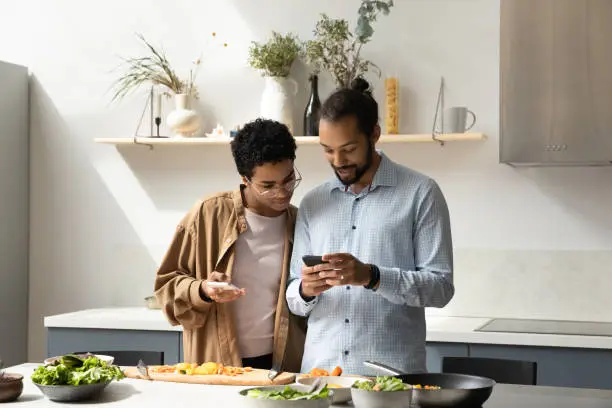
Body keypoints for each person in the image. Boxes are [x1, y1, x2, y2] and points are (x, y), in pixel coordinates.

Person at [286, 78, 455, 376]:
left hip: (391, 380)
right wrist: (305, 290)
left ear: (374, 134)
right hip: (321, 379)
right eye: (327, 150)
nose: (338, 161)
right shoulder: (313, 202)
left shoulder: (420, 193)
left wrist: (373, 276)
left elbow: (440, 289)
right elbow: (293, 298)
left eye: (348, 148)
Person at [155, 118, 306, 372]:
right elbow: (166, 287)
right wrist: (203, 289)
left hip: (281, 365)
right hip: (217, 363)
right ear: (245, 179)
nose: (282, 192)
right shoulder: (208, 213)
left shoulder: (300, 222)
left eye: (289, 179)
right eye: (268, 186)